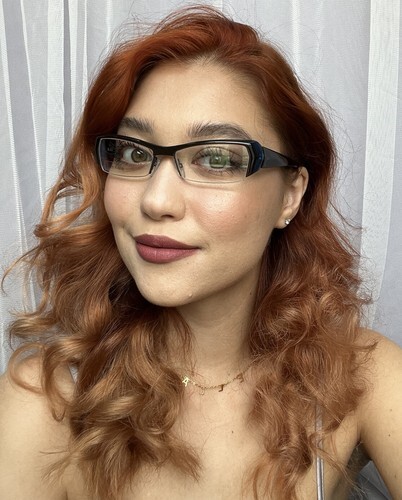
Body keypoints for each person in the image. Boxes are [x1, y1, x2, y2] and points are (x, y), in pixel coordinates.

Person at [0, 6, 401, 500]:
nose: (156, 201)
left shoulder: (360, 376)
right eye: (133, 153)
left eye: (215, 158)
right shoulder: (48, 400)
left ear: (291, 194)